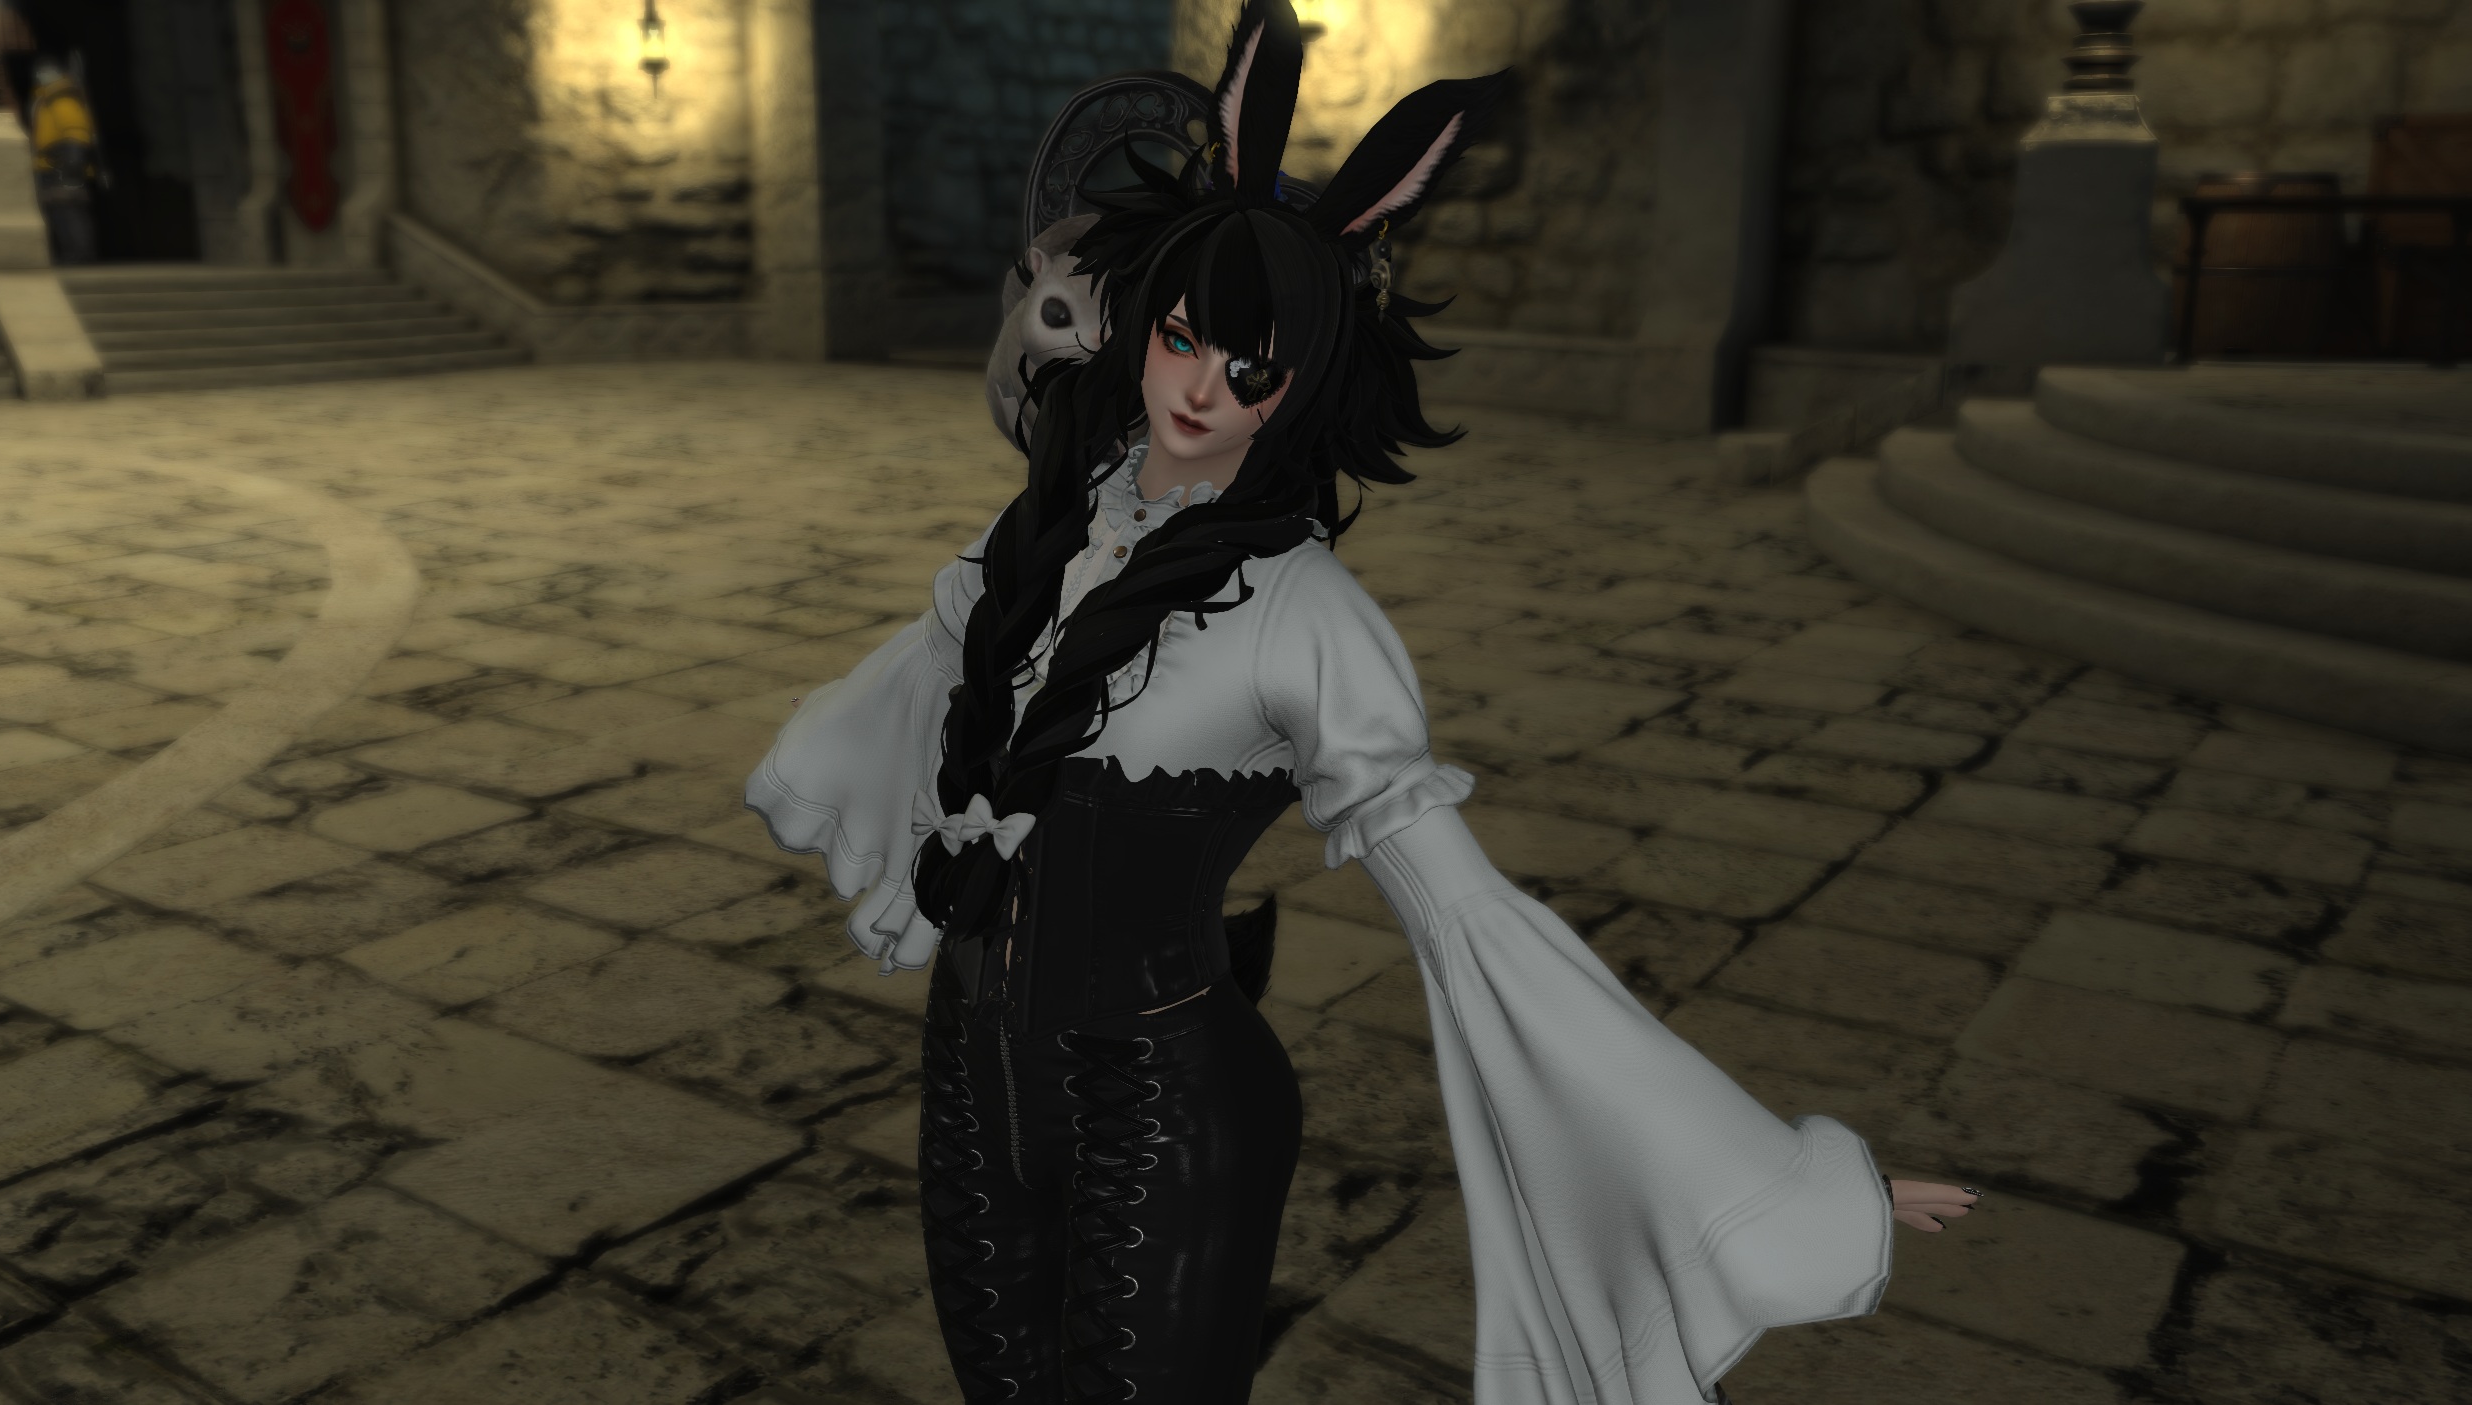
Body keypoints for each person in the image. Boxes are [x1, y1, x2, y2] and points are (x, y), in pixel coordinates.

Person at [745, 4, 1980, 1401]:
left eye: (1250, 368)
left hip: (1164, 1116)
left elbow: (1466, 918)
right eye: (1181, 336)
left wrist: (1766, 1182)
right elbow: (925, 699)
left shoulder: (1304, 613)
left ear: (1303, 387)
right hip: (970, 1080)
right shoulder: (1033, 538)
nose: (1199, 389)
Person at [28, 57, 100, 265]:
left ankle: (80, 254)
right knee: (60, 212)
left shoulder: (61, 98)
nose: (41, 75)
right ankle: (72, 253)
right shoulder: (47, 98)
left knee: (69, 211)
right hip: (51, 164)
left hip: (62, 164)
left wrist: (72, 160)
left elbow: (76, 130)